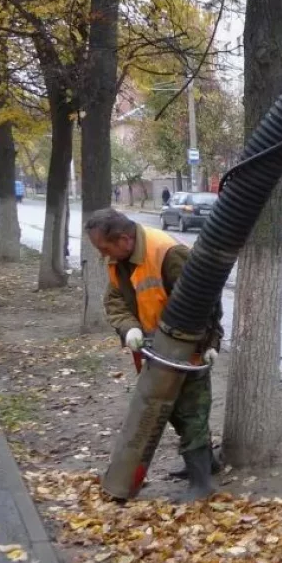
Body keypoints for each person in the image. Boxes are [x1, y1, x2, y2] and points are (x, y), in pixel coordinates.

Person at [84, 208, 223, 500]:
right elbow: (115, 301)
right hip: (155, 351)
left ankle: (201, 485)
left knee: (192, 410)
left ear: (124, 239)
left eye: (104, 247)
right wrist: (129, 329)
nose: (102, 254)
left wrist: (212, 343)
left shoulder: (168, 254)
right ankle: (206, 463)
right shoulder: (118, 261)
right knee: (170, 410)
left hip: (188, 348)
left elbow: (206, 300)